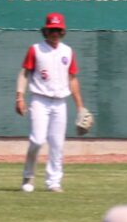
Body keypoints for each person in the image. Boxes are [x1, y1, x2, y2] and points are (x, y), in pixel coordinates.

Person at [14, 12, 92, 193]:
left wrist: (80, 106)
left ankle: (54, 182)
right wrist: (19, 96)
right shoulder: (36, 49)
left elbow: (72, 79)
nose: (55, 33)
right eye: (52, 30)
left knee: (57, 144)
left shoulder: (68, 51)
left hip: (60, 102)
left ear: (63, 32)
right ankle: (28, 176)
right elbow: (24, 74)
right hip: (40, 99)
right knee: (37, 140)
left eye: (58, 30)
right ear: (45, 31)